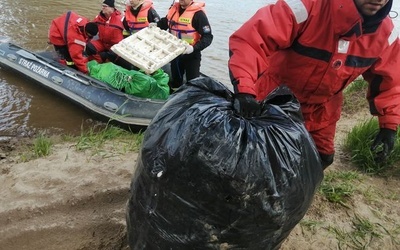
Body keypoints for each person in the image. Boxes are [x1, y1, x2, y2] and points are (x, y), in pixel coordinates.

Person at [228, 0, 400, 169]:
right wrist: (244, 91)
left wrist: (389, 126)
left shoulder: (386, 33)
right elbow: (250, 40)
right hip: (273, 101)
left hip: (322, 111)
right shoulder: (306, 6)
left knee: (321, 159)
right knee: (259, 157)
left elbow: (391, 81)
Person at [157, 0, 213, 91]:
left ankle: (192, 97)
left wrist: (193, 48)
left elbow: (208, 37)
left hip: (191, 54)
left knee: (193, 82)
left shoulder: (198, 14)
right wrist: (156, 25)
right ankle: (175, 93)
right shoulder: (173, 9)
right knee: (175, 81)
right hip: (175, 53)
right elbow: (166, 22)